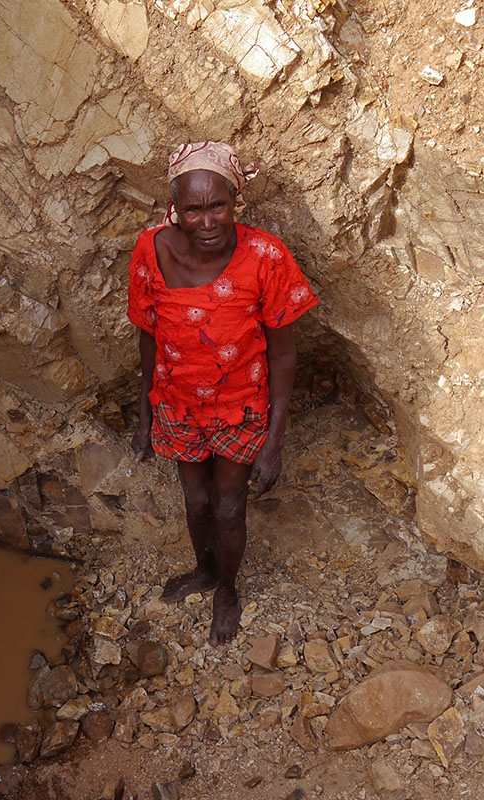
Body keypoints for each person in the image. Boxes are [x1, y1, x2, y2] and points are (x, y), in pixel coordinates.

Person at [127, 142, 319, 644]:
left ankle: (228, 592)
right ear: (176, 209)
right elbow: (148, 334)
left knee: (230, 506)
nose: (207, 221)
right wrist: (146, 414)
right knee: (196, 502)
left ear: (235, 202)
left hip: (241, 408)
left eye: (218, 206)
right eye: (194, 209)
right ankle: (205, 570)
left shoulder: (265, 257)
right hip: (177, 403)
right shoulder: (150, 249)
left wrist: (274, 443)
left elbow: (282, 354)